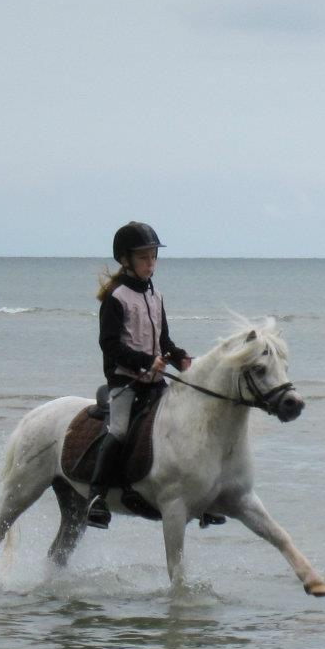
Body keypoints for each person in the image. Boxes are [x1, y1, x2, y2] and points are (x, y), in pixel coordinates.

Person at [87, 222, 192, 529]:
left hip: (154, 383)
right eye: (144, 257)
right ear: (126, 260)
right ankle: (96, 497)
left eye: (153, 257)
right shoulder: (115, 298)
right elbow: (110, 346)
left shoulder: (156, 295)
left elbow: (164, 343)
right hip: (125, 383)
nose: (151, 263)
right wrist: (146, 362)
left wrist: (178, 358)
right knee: (119, 431)